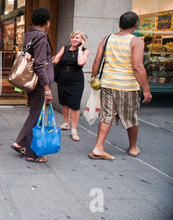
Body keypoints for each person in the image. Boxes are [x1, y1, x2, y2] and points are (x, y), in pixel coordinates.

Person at [89, 11, 152, 160]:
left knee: (106, 116)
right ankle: (133, 147)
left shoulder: (108, 38)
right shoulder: (136, 41)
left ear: (119, 24)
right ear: (136, 25)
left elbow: (97, 60)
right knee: (130, 117)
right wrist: (147, 90)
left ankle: (99, 147)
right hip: (127, 86)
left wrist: (93, 78)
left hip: (107, 84)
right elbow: (137, 67)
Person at [11, 8, 54, 163]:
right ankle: (31, 154)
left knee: (34, 113)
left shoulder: (30, 34)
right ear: (47, 22)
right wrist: (47, 89)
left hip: (30, 81)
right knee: (36, 116)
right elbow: (39, 64)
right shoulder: (41, 36)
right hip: (39, 83)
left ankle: (20, 142)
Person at [52, 31, 90, 141]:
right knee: (64, 102)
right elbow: (55, 61)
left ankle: (74, 130)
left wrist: (79, 50)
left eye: (77, 38)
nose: (74, 39)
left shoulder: (84, 51)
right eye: (73, 37)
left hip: (76, 82)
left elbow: (80, 63)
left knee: (74, 105)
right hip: (63, 80)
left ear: (82, 40)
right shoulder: (65, 48)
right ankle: (65, 123)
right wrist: (55, 59)